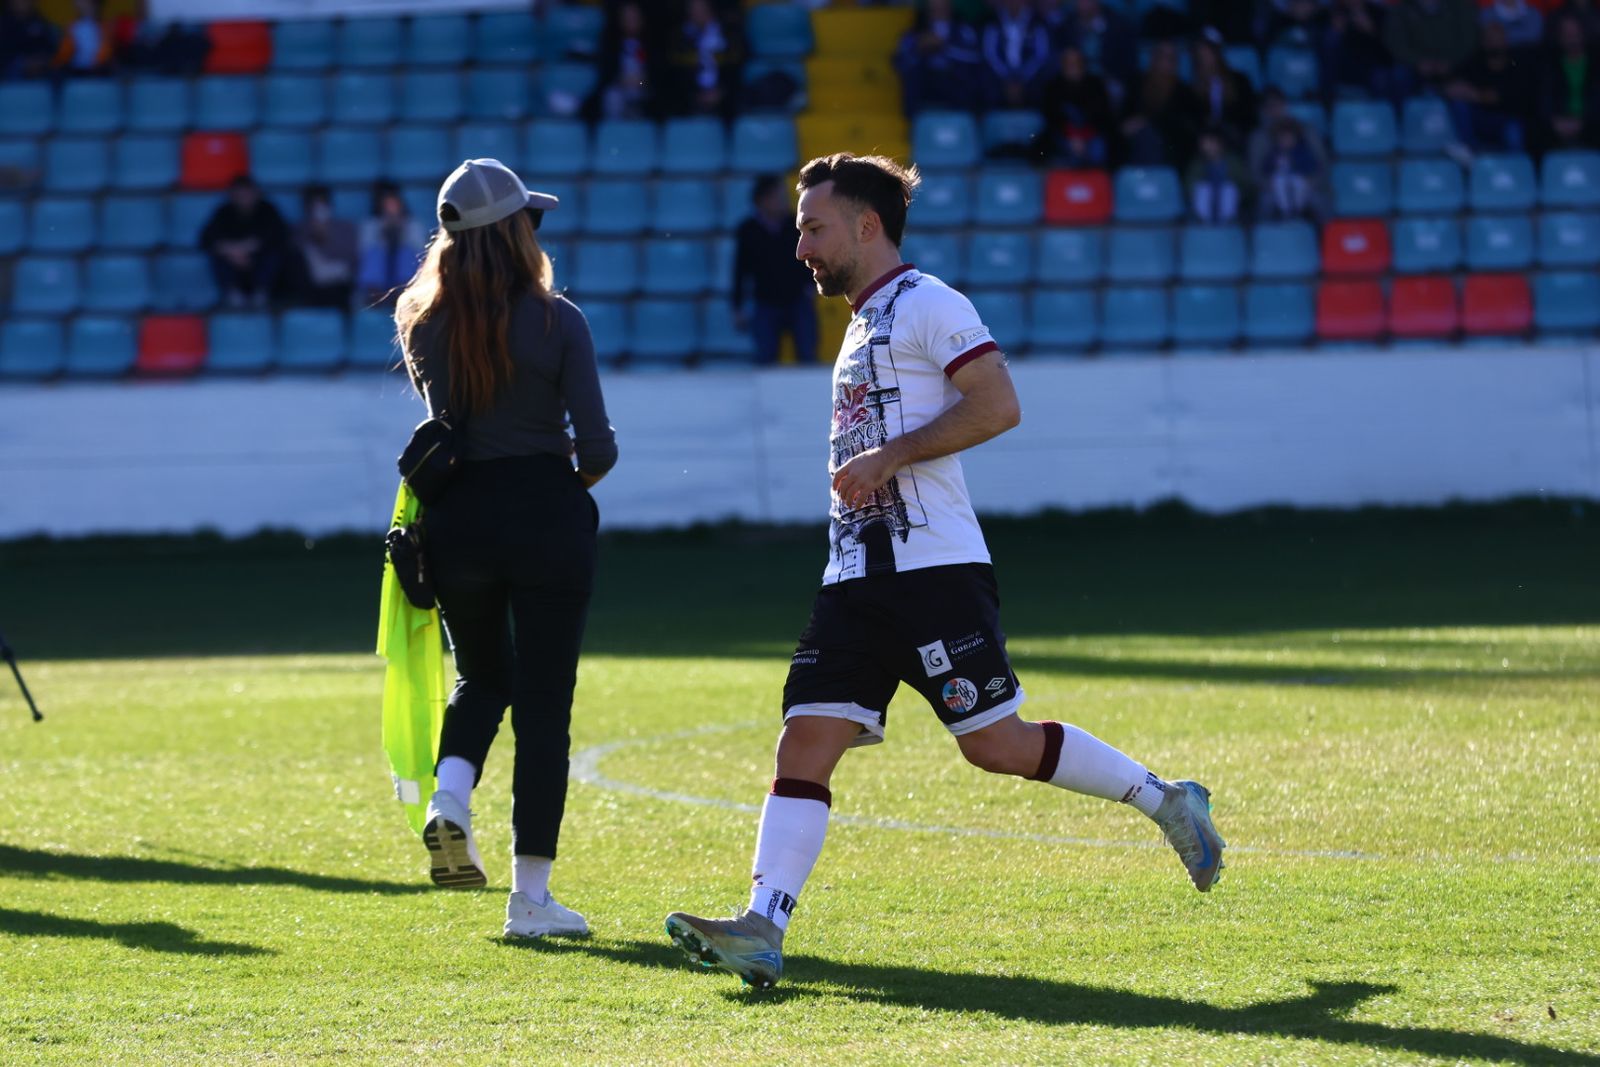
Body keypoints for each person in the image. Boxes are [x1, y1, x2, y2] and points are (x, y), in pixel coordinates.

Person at [663, 153, 1227, 990]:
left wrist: (890, 457)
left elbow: (998, 404)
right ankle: (762, 926)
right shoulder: (859, 321)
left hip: (931, 570)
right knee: (804, 738)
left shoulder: (930, 302)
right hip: (854, 576)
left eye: (813, 228)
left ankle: (1166, 798)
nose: (801, 248)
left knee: (996, 745)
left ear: (867, 225)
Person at [395, 158, 617, 939]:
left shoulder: (421, 322)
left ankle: (448, 799)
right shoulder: (561, 322)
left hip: (457, 520)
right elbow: (597, 449)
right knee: (545, 707)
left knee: (483, 675)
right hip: (547, 518)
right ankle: (530, 899)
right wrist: (562, 476)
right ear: (517, 232)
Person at [733, 174, 818, 366]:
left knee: (807, 356)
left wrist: (812, 285)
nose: (784, 201)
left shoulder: (796, 226)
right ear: (763, 200)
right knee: (765, 358)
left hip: (798, 300)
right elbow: (740, 270)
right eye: (778, 196)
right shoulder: (748, 230)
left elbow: (811, 255)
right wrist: (737, 306)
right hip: (765, 303)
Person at [1446, 21, 1536, 154]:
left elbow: (1508, 96)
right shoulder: (1474, 62)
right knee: (1459, 105)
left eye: (1497, 39)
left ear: (1506, 41)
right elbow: (1450, 87)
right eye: (1489, 39)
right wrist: (1465, 92)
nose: (1494, 43)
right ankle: (1469, 152)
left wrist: (1477, 95)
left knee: (1514, 129)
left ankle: (1515, 168)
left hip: (1507, 119)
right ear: (1483, 41)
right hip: (1479, 118)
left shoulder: (1516, 64)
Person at [200, 174, 288, 309]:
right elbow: (206, 239)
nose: (244, 199)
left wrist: (248, 248)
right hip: (233, 266)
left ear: (256, 194)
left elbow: (279, 235)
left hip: (259, 265)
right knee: (217, 258)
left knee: (275, 255)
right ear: (232, 195)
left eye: (247, 194)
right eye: (239, 195)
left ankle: (261, 294)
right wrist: (232, 252)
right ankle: (233, 295)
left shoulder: (267, 210)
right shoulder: (223, 213)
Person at [1119, 38, 1202, 167]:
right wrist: (1125, 126)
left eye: (1171, 58)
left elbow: (1185, 125)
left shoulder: (1184, 91)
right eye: (1162, 56)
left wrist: (1147, 122)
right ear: (1154, 59)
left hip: (1169, 144)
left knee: (1149, 136)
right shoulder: (1136, 83)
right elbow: (1124, 116)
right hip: (1133, 142)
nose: (1166, 62)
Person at [892, 0, 984, 115]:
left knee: (968, 76)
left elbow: (975, 57)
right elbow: (901, 61)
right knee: (912, 74)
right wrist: (918, 49)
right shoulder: (914, 31)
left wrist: (944, 46)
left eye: (942, 3)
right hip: (927, 81)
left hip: (955, 79)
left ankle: (968, 119)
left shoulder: (964, 30)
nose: (938, 6)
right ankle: (915, 121)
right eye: (934, 3)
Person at [1036, 44, 1116, 166]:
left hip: (1092, 136)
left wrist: (1083, 138)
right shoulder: (1052, 87)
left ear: (1083, 64)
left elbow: (1103, 117)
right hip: (1063, 137)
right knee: (1048, 150)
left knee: (1100, 149)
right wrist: (1071, 137)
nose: (1072, 67)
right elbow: (1052, 119)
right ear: (1062, 65)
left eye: (1076, 62)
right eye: (1068, 63)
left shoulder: (1096, 85)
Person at [664, 0, 744, 118]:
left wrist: (721, 91)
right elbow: (676, 72)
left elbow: (736, 67)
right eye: (693, 8)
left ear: (710, 9)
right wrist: (695, 94)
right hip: (689, 98)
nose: (697, 12)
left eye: (701, 7)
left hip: (724, 96)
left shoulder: (728, 33)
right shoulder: (679, 38)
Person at [587, 0, 661, 120]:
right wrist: (623, 80)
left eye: (634, 17)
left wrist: (641, 82)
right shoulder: (612, 45)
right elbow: (607, 74)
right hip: (620, 87)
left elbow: (657, 74)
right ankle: (615, 132)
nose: (631, 21)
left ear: (642, 18)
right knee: (612, 96)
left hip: (644, 87)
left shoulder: (651, 45)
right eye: (627, 17)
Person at [287, 184, 358, 309]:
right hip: (312, 286)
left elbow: (349, 257)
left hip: (339, 283)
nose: (319, 210)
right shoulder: (301, 229)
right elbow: (295, 252)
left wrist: (327, 236)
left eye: (322, 204)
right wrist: (313, 234)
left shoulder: (345, 228)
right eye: (314, 206)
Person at [358, 180, 427, 308]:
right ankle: (377, 301)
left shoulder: (413, 225)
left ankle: (403, 298)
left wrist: (401, 231)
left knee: (405, 254)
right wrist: (383, 233)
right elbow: (363, 252)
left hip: (405, 277)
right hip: (379, 278)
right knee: (375, 255)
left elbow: (420, 251)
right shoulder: (370, 225)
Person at [1385, 0, 1479, 92]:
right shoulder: (1402, 7)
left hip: (1457, 65)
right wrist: (1417, 61)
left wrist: (1451, 60)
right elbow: (1396, 42)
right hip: (1413, 67)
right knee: (1396, 78)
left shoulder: (1459, 5)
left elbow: (1469, 38)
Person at [1537, 12, 1600, 151]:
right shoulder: (1550, 66)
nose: (1571, 36)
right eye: (1566, 33)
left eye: (1574, 32)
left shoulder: (1596, 65)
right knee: (1536, 132)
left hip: (1591, 122)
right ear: (1559, 37)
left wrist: (1583, 122)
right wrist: (1555, 122)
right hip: (1558, 123)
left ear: (1583, 33)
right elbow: (1544, 99)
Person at [980, 0, 1055, 108]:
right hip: (999, 79)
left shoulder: (1038, 22)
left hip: (1031, 78)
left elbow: (1041, 55)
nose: (1014, 2)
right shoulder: (992, 21)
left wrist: (1023, 77)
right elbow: (990, 54)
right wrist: (1007, 77)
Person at [1256, 115, 1327, 221]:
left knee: (1298, 181)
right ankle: (1286, 211)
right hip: (1280, 183)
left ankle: (1297, 210)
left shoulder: (1302, 151)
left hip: (1299, 181)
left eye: (1289, 138)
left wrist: (1295, 164)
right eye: (1282, 138)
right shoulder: (1274, 153)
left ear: (1295, 138)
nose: (1285, 141)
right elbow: (1265, 169)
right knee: (1278, 181)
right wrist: (1275, 164)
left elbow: (1311, 167)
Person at [1187, 126, 1253, 222]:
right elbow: (1190, 184)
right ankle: (1205, 222)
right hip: (1207, 197)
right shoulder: (1198, 163)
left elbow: (1244, 183)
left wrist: (1232, 186)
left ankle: (1226, 222)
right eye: (1204, 143)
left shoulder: (1232, 161)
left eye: (1210, 143)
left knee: (1229, 189)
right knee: (1203, 189)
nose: (1207, 146)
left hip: (1228, 196)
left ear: (1219, 144)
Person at [0, 0, 59, 79]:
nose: (22, 2)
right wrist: (22, 64)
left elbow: (54, 53)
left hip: (40, 81)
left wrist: (42, 61)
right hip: (8, 81)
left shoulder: (43, 24)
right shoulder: (3, 25)